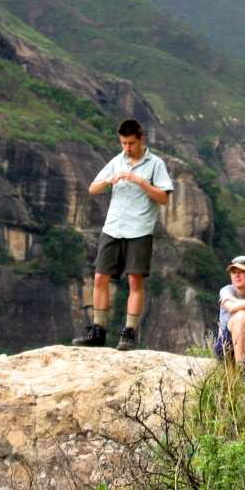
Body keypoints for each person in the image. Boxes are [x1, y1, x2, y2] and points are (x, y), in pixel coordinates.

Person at [73, 119, 173, 350]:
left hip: (139, 229)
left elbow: (163, 198)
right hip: (113, 227)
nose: (127, 148)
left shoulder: (155, 164)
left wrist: (141, 182)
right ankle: (98, 330)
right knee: (100, 277)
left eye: (131, 143)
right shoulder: (117, 161)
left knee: (134, 280)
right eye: (123, 143)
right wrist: (108, 180)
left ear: (141, 139)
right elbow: (92, 188)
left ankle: (129, 333)